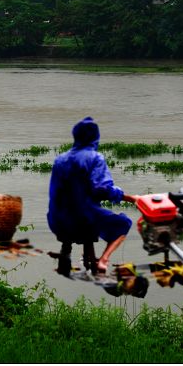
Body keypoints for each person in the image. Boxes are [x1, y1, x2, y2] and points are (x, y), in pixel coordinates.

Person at [47, 117, 136, 276]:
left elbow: (55, 193)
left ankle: (68, 252)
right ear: (95, 137)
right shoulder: (95, 158)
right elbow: (102, 189)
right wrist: (129, 197)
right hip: (82, 219)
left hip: (56, 219)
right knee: (123, 223)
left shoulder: (60, 160)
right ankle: (103, 260)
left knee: (87, 211)